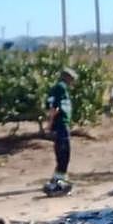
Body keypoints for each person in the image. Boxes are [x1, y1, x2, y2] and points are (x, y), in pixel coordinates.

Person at [43, 67, 76, 196]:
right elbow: (55, 108)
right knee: (64, 155)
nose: (73, 83)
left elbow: (51, 107)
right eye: (72, 80)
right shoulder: (61, 88)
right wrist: (50, 125)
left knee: (62, 156)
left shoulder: (59, 89)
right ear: (68, 78)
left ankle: (58, 180)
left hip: (61, 126)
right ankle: (58, 183)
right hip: (61, 126)